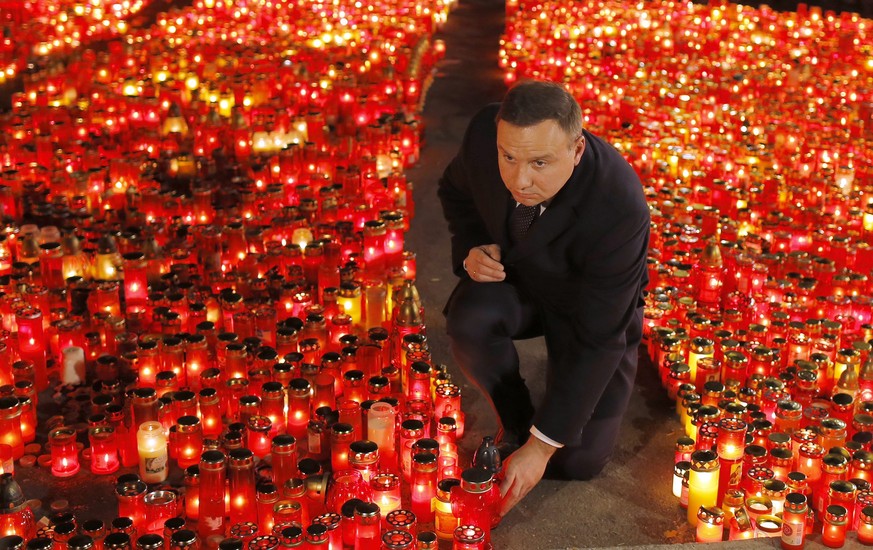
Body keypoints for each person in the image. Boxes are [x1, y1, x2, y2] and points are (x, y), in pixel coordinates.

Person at [437, 80, 649, 516]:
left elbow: (599, 338)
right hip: (520, 280)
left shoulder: (618, 203)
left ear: (576, 149)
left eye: (540, 162)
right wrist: (473, 246)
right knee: (472, 318)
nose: (520, 180)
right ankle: (515, 417)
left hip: (588, 309)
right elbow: (455, 189)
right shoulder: (485, 134)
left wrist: (542, 447)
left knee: (574, 459)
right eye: (509, 157)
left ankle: (543, 433)